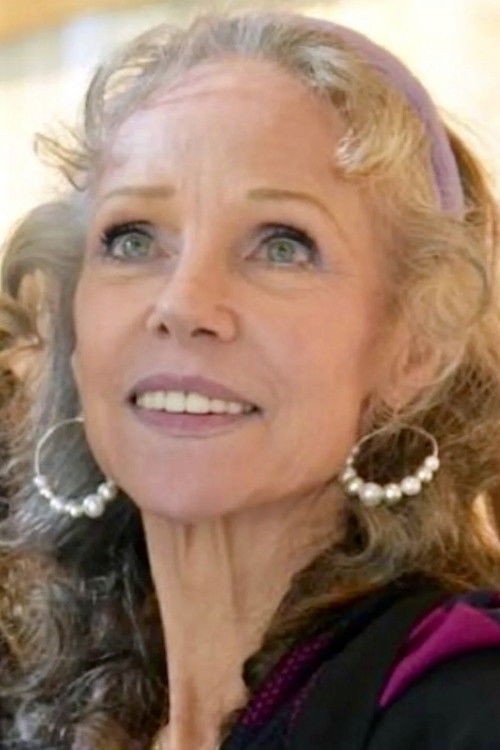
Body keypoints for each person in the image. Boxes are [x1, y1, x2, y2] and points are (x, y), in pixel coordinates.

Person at [0, 10, 499, 750]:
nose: (182, 304)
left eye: (283, 246)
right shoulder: (54, 720)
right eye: (132, 239)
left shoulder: (465, 710)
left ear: (415, 347)